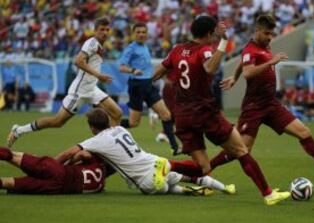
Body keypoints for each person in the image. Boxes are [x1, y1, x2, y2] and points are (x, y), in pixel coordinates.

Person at [152, 15, 290, 205]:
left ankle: (166, 165)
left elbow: (157, 73)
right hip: (205, 112)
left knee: (203, 168)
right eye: (214, 34)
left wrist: (169, 81)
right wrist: (223, 42)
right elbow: (210, 69)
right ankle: (268, 194)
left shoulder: (177, 49)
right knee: (241, 149)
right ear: (209, 33)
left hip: (182, 115)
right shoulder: (205, 50)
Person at [218, 14, 314, 179]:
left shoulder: (263, 46)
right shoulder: (250, 49)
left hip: (271, 104)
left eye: (271, 34)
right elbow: (248, 72)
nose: (270, 37)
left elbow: (242, 63)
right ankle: (206, 168)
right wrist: (270, 63)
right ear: (257, 30)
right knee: (242, 149)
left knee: (304, 132)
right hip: (254, 106)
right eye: (266, 33)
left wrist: (234, 76)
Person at [57, 107, 236, 196]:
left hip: (145, 180)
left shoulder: (96, 140)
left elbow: (68, 154)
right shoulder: (121, 129)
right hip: (151, 161)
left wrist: (52, 164)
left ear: (92, 127)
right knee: (182, 178)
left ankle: (182, 184)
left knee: (166, 188)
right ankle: (225, 188)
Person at [7, 16, 123, 147]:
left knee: (117, 113)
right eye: (102, 29)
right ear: (95, 30)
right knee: (57, 122)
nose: (105, 32)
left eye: (107, 30)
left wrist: (97, 78)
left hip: (92, 89)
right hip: (79, 91)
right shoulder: (92, 43)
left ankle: (110, 146)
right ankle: (19, 130)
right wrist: (99, 75)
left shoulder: (100, 45)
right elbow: (78, 61)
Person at [118, 22, 180, 155]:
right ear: (133, 34)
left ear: (147, 34)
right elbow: (121, 67)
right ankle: (111, 126)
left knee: (166, 115)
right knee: (134, 123)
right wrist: (133, 70)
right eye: (138, 32)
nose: (141, 34)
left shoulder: (145, 46)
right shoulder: (131, 48)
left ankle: (175, 148)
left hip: (148, 85)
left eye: (143, 32)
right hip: (136, 87)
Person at [0, 146, 109, 194]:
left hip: (59, 170)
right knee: (8, 183)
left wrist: (69, 163)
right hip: (55, 188)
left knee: (13, 156)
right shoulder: (100, 185)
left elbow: (83, 154)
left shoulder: (97, 160)